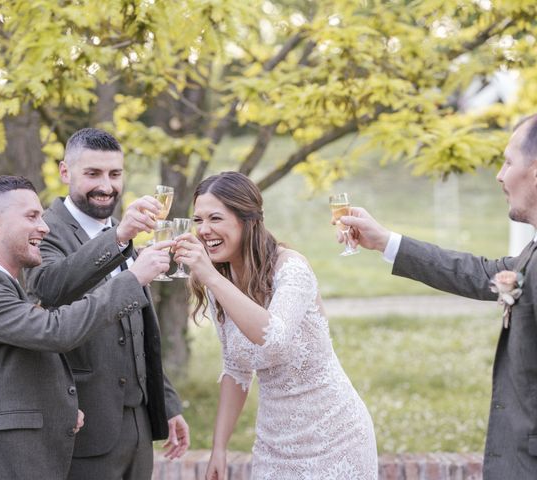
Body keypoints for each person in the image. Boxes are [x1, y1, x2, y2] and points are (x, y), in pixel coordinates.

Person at [0, 175, 173, 479]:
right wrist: (133, 279)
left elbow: (16, 363)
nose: (44, 227)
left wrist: (59, 407)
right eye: (32, 216)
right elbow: (55, 332)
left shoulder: (4, 285)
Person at [339, 115, 537, 479]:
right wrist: (385, 241)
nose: (499, 175)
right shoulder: (533, 252)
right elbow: (479, 272)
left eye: (508, 162)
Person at [173, 171, 378, 479]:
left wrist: (211, 277)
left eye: (215, 218)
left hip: (336, 439)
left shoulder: (291, 268)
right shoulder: (221, 282)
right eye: (198, 220)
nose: (204, 230)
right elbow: (235, 369)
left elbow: (274, 337)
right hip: (274, 448)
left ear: (247, 220)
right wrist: (219, 447)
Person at [25, 128, 189, 480]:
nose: (107, 185)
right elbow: (50, 288)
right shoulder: (43, 231)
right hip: (83, 429)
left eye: (115, 174)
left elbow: (140, 333)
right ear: (65, 172)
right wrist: (118, 237)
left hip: (138, 427)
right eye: (93, 174)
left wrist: (168, 405)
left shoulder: (119, 233)